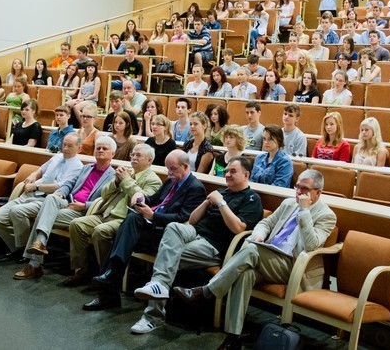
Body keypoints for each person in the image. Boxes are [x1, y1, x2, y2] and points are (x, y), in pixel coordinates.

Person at [172, 169, 336, 350]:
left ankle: (207, 291)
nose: (298, 192)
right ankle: (233, 338)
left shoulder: (326, 216)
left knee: (251, 250)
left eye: (304, 189)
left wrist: (304, 212)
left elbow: (311, 245)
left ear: (318, 193)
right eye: (297, 187)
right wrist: (259, 235)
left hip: (294, 267)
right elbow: (266, 223)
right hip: (268, 257)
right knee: (245, 274)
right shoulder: (289, 203)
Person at [129, 156, 264, 335]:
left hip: (214, 244)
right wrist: (208, 201)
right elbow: (192, 220)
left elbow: (238, 228)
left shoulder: (252, 198)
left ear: (246, 174)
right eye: (227, 171)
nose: (228, 175)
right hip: (194, 232)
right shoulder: (221, 192)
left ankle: (152, 317)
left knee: (167, 255)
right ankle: (159, 285)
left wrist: (221, 203)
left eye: (233, 171)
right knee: (173, 227)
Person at [84, 149, 207, 310]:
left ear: (185, 166)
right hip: (150, 229)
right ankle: (111, 277)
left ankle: (110, 284)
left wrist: (153, 216)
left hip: (167, 237)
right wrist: (141, 199)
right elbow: (154, 199)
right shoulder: (171, 181)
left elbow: (184, 218)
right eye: (167, 168)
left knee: (124, 231)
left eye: (173, 169)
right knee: (130, 220)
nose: (169, 173)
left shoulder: (195, 188)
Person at [13, 136, 116, 280]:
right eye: (98, 148)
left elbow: (107, 201)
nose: (100, 151)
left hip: (84, 212)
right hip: (67, 203)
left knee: (44, 215)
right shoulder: (86, 168)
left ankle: (34, 263)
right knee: (51, 198)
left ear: (113, 154)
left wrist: (84, 206)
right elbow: (69, 183)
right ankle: (39, 245)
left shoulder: (113, 176)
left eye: (104, 149)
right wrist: (61, 193)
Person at [64, 143, 162, 288]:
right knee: (77, 224)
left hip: (125, 219)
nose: (134, 158)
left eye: (138, 155)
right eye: (133, 154)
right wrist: (116, 181)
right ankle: (82, 270)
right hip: (105, 213)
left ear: (149, 160)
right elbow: (104, 193)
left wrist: (126, 180)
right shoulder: (126, 171)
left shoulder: (153, 180)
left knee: (100, 231)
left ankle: (106, 274)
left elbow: (142, 201)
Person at [0, 133, 84, 261]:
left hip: (46, 198)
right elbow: (41, 170)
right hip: (29, 193)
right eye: (64, 145)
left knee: (16, 212)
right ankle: (19, 247)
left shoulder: (78, 166)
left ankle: (24, 252)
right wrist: (33, 176)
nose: (65, 148)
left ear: (79, 148)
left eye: (70, 146)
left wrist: (37, 187)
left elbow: (60, 187)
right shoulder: (56, 157)